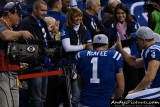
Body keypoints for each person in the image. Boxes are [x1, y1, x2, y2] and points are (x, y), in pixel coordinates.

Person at [18, 0, 52, 107]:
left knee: (42, 98)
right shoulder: (26, 22)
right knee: (36, 99)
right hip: (34, 66)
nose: (44, 13)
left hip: (44, 64)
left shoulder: (43, 22)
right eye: (42, 10)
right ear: (34, 9)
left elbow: (47, 40)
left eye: (46, 10)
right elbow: (21, 46)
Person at [76, 34, 124, 107]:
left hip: (85, 102)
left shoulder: (81, 55)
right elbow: (121, 88)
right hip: (105, 102)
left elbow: (79, 83)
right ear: (107, 45)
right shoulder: (114, 56)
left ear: (93, 45)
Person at [0, 2, 33, 107]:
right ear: (9, 14)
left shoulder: (10, 28)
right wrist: (22, 33)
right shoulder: (1, 24)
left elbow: (9, 52)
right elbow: (4, 35)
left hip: (12, 73)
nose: (21, 17)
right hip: (3, 74)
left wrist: (19, 64)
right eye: (19, 14)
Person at [116, 26, 160, 99]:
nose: (136, 42)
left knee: (130, 98)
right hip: (155, 88)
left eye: (137, 39)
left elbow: (150, 76)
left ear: (143, 40)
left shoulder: (153, 50)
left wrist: (135, 90)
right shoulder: (152, 49)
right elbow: (134, 63)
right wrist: (120, 49)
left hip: (157, 88)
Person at [61, 7, 92, 107]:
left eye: (80, 16)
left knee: (85, 91)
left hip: (84, 62)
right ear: (70, 17)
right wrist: (83, 46)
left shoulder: (84, 28)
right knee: (76, 94)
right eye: (76, 16)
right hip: (71, 63)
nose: (79, 18)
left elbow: (89, 44)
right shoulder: (65, 29)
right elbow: (67, 48)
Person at [108, 3, 140, 97]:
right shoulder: (113, 26)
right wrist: (120, 43)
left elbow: (133, 39)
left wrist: (119, 43)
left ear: (126, 13)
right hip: (119, 58)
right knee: (121, 84)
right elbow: (110, 40)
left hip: (132, 58)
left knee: (133, 83)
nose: (120, 15)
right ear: (115, 14)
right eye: (118, 13)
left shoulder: (133, 23)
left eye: (123, 13)